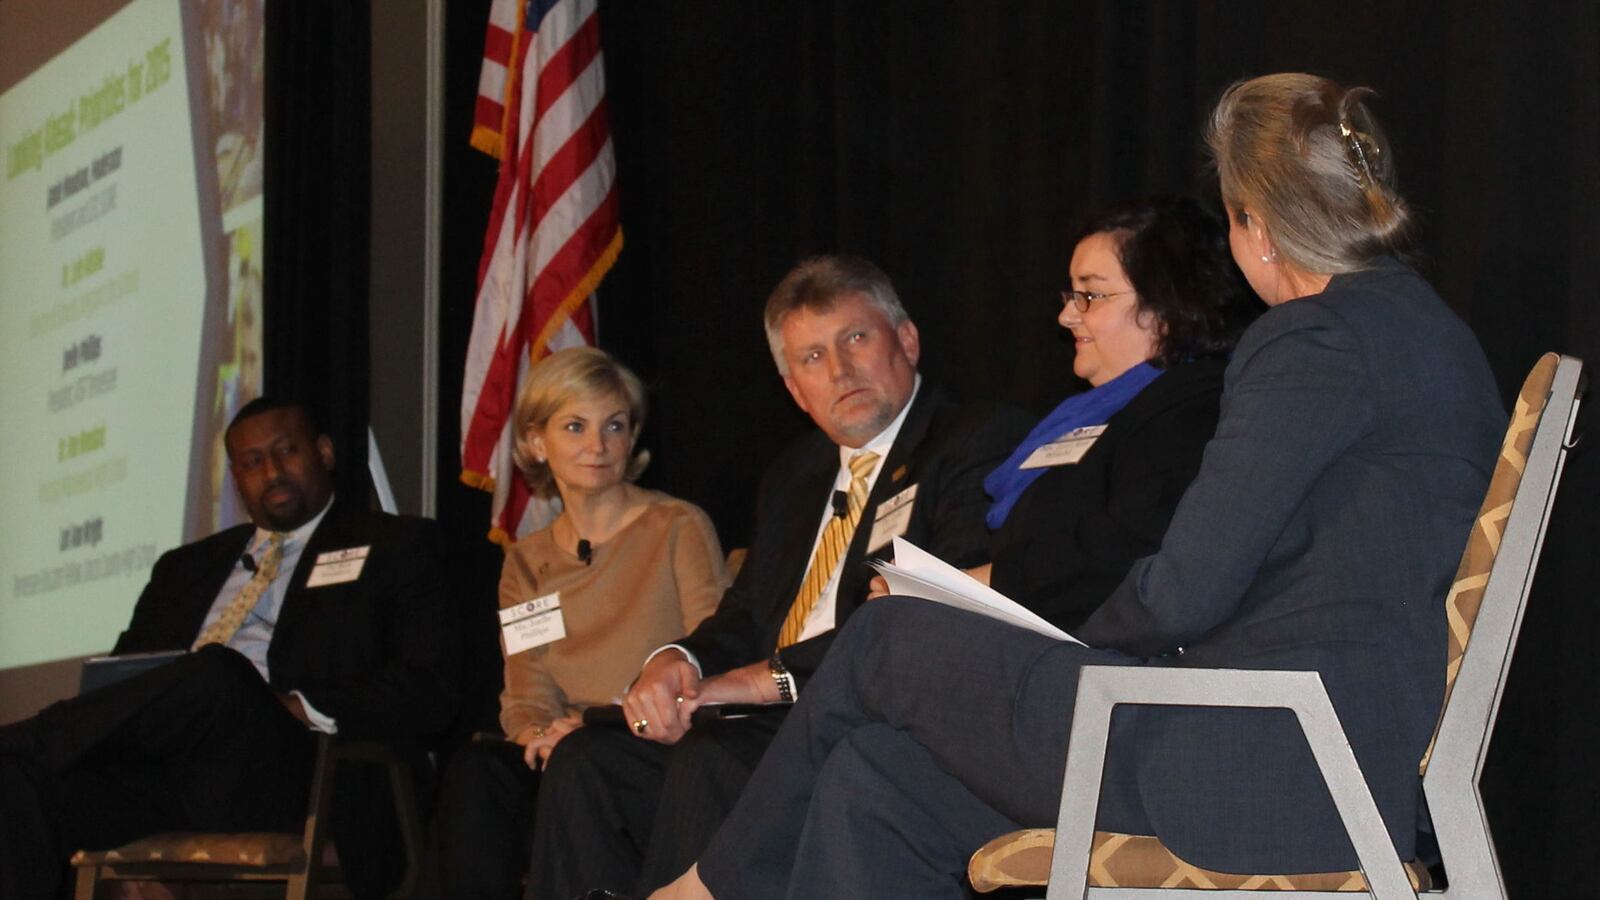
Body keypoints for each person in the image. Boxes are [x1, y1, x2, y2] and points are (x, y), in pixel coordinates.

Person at [658, 73, 1508, 899]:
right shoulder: (1430, 334)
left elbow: (1183, 592)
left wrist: (1049, 644)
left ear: (1256, 224)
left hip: (1261, 758)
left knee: (886, 638)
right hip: (1309, 749)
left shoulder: (1310, 341)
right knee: (876, 782)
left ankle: (705, 888)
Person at [524, 255, 1030, 899]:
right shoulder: (794, 477)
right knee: (587, 764)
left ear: (906, 340)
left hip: (867, 722)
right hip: (760, 721)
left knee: (713, 755)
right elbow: (745, 614)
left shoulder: (972, 441)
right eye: (812, 358)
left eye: (855, 338)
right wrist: (677, 659)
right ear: (794, 389)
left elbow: (931, 612)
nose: (840, 371)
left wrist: (761, 683)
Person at [0, 398, 459, 900]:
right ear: (237, 479)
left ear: (324, 452)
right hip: (171, 779)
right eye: (253, 462)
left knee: (217, 671)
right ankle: (21, 751)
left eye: (288, 451)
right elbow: (132, 682)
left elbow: (430, 687)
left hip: (297, 771)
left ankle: (25, 736)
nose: (274, 471)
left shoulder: (397, 545)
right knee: (17, 782)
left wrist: (304, 706)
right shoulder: (184, 568)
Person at [414, 347, 728, 900]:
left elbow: (713, 650)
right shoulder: (526, 560)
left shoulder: (675, 526)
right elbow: (526, 688)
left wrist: (595, 725)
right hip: (562, 749)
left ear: (632, 438)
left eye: (615, 426)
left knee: (582, 763)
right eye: (576, 426)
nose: (598, 446)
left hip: (650, 745)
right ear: (537, 441)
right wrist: (538, 735)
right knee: (476, 774)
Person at [969, 196, 1260, 628]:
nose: (1067, 315)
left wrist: (986, 585)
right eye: (1072, 293)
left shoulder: (1195, 410)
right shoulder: (1086, 415)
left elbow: (1130, 549)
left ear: (1165, 308)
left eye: (1091, 294)